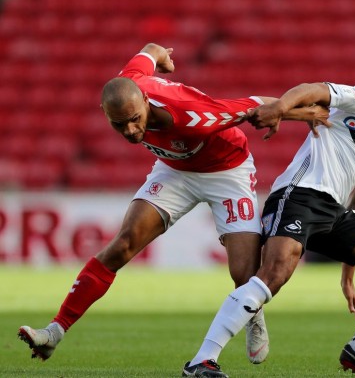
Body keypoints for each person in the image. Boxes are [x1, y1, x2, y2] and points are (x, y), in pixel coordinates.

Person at [17, 43, 329, 370]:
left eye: (136, 120)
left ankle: (254, 314)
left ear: (147, 103)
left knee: (243, 273)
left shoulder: (193, 117)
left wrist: (304, 113)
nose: (131, 131)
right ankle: (54, 332)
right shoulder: (129, 81)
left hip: (227, 171)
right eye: (119, 125)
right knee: (122, 245)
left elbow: (255, 105)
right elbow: (150, 49)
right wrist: (162, 57)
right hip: (174, 170)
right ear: (105, 112)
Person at [182, 63, 355, 378]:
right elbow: (314, 89)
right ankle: (200, 362)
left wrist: (348, 269)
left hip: (335, 213)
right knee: (275, 274)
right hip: (298, 194)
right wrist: (280, 108)